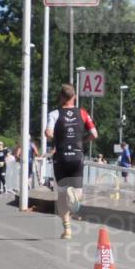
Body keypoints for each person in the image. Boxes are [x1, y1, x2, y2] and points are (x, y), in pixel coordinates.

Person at [45, 83, 97, 239]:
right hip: (77, 155)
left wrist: (52, 136)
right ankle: (74, 193)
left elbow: (48, 133)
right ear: (74, 97)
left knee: (61, 196)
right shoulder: (83, 113)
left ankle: (67, 230)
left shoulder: (54, 113)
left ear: (61, 97)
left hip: (61, 157)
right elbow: (94, 134)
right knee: (78, 194)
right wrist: (82, 139)